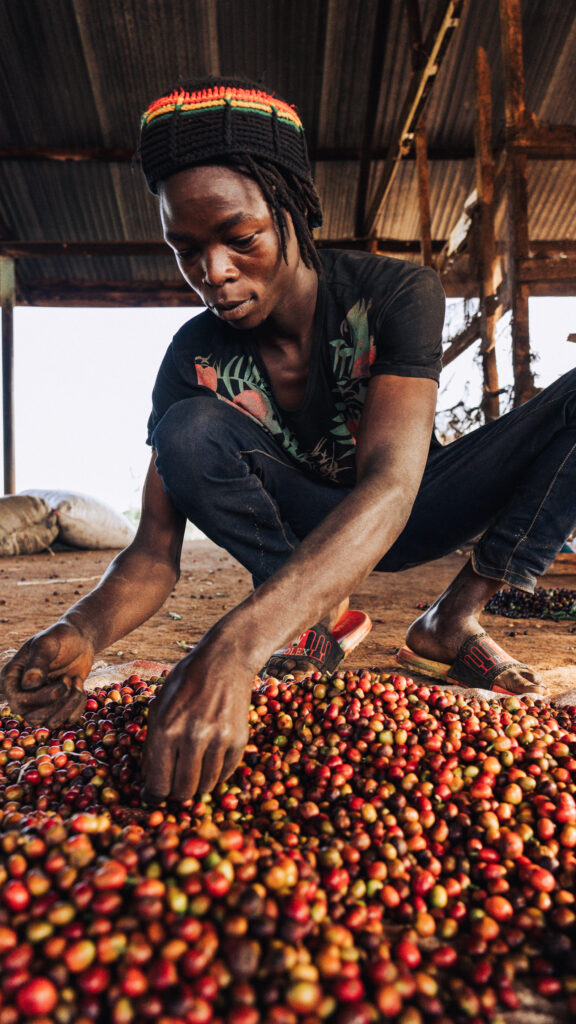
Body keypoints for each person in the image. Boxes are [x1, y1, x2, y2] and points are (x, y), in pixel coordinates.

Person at [2, 78, 574, 803]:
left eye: (241, 239)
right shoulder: (193, 360)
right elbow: (153, 553)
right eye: (186, 249)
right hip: (299, 534)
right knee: (187, 429)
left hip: (407, 506)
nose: (212, 273)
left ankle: (452, 618)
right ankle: (318, 613)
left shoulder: (395, 295)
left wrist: (237, 646)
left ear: (294, 211)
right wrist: (80, 628)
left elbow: (393, 485)